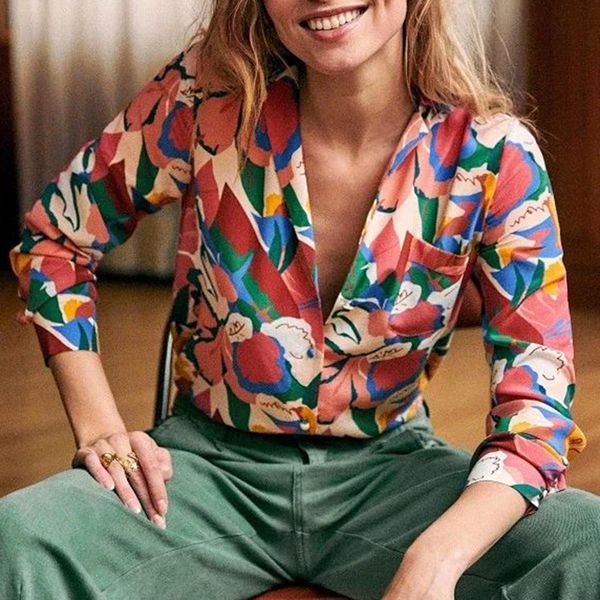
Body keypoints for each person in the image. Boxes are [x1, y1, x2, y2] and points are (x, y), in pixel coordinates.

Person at [1, 0, 599, 598]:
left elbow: (536, 405)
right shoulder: (204, 98)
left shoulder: (494, 154)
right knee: (17, 538)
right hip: (199, 475)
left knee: (586, 540)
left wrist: (435, 560)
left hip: (392, 477)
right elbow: (56, 239)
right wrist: (99, 427)